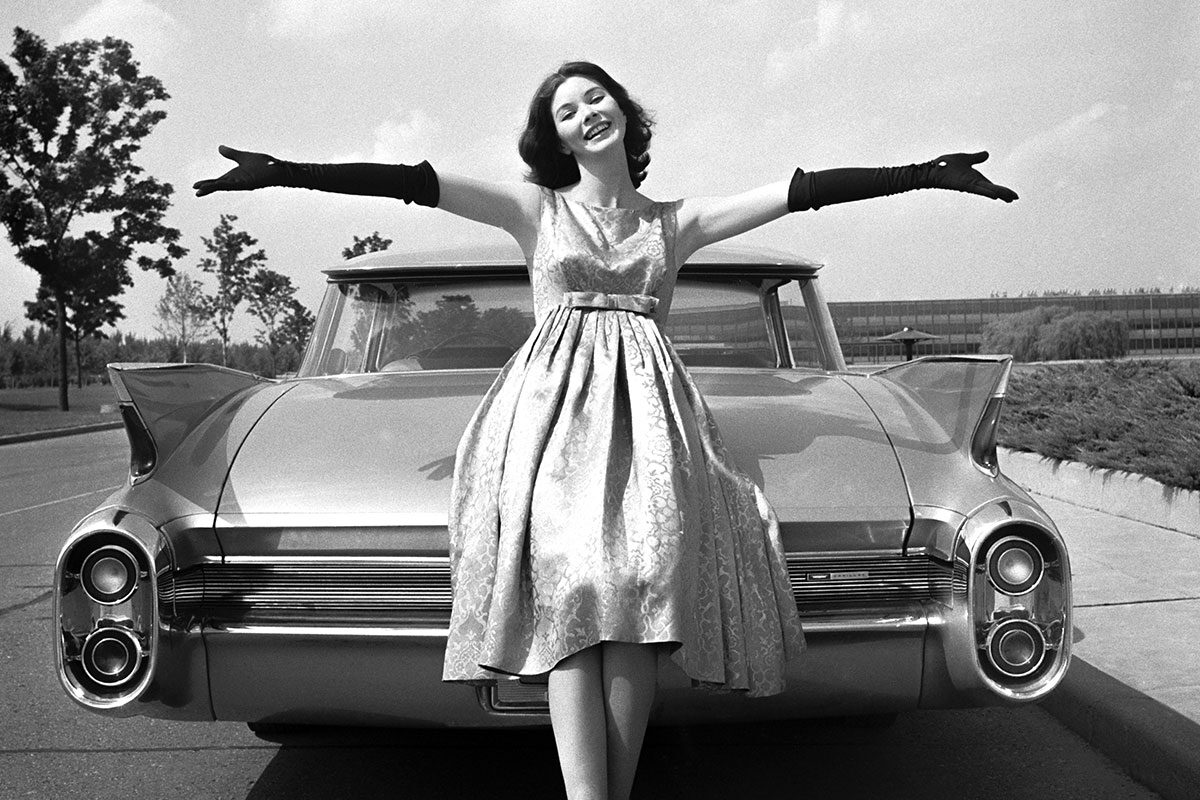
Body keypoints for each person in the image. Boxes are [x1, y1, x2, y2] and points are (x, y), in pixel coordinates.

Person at [194, 60, 1016, 800]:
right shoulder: (534, 209)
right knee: (573, 596)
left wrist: (921, 173)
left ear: (622, 111)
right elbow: (415, 182)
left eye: (596, 98)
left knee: (642, 605)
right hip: (547, 425)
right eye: (565, 111)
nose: (586, 113)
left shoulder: (676, 221)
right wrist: (287, 172)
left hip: (654, 428)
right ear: (553, 139)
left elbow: (796, 190)